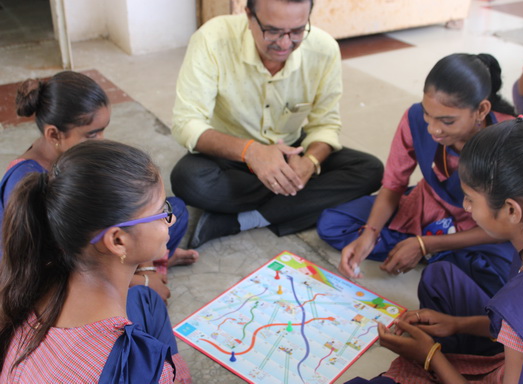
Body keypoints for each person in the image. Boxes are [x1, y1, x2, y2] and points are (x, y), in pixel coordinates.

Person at [346, 117, 523, 384]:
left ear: (512, 210)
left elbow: (521, 326)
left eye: (471, 198)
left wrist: (430, 357)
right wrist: (456, 323)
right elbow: (516, 329)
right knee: (440, 275)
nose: (466, 208)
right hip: (514, 357)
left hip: (512, 372)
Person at [170, 0, 383, 248]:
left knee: (370, 170)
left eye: (296, 31)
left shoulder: (324, 50)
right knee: (189, 181)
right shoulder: (212, 39)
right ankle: (295, 202)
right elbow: (187, 123)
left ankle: (244, 219)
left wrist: (309, 163)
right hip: (230, 152)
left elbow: (326, 124)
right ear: (249, 16)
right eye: (272, 30)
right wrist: (252, 152)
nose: (284, 43)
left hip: (291, 151)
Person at [317, 53, 518, 297]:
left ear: (481, 109)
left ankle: (433, 252)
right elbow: (393, 184)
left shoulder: (512, 139)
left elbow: (507, 227)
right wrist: (369, 235)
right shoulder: (413, 118)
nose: (433, 128)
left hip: (481, 228)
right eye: (427, 114)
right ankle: (436, 255)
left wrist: (424, 244)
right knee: (334, 223)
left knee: (497, 279)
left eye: (447, 121)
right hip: (425, 208)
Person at [0, 140, 193, 383]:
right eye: (161, 212)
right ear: (118, 240)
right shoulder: (134, 367)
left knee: (146, 299)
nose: (172, 219)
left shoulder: (32, 287)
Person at [0, 71, 199, 300]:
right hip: (55, 277)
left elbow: (121, 200)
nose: (101, 140)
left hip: (98, 245)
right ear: (54, 134)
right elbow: (60, 269)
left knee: (174, 211)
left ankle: (146, 262)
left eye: (103, 130)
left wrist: (147, 268)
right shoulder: (25, 180)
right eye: (92, 134)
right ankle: (145, 267)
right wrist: (143, 281)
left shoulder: (75, 155)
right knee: (144, 305)